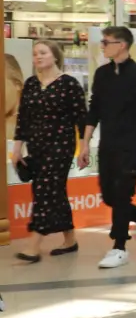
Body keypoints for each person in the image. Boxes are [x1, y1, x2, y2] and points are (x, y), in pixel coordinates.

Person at [80, 26, 136, 269]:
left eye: (106, 42)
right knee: (109, 195)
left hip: (131, 145)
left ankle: (119, 247)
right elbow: (94, 110)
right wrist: (85, 143)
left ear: (121, 44)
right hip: (108, 144)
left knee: (123, 193)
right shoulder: (102, 74)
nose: (102, 46)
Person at [10, 40, 86, 263]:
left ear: (55, 56)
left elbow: (82, 118)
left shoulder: (69, 84)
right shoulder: (31, 84)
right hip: (36, 147)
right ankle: (70, 240)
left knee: (44, 190)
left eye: (43, 53)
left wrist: (85, 147)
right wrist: (16, 149)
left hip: (60, 146)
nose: (38, 57)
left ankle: (33, 245)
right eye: (35, 54)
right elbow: (23, 119)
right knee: (55, 192)